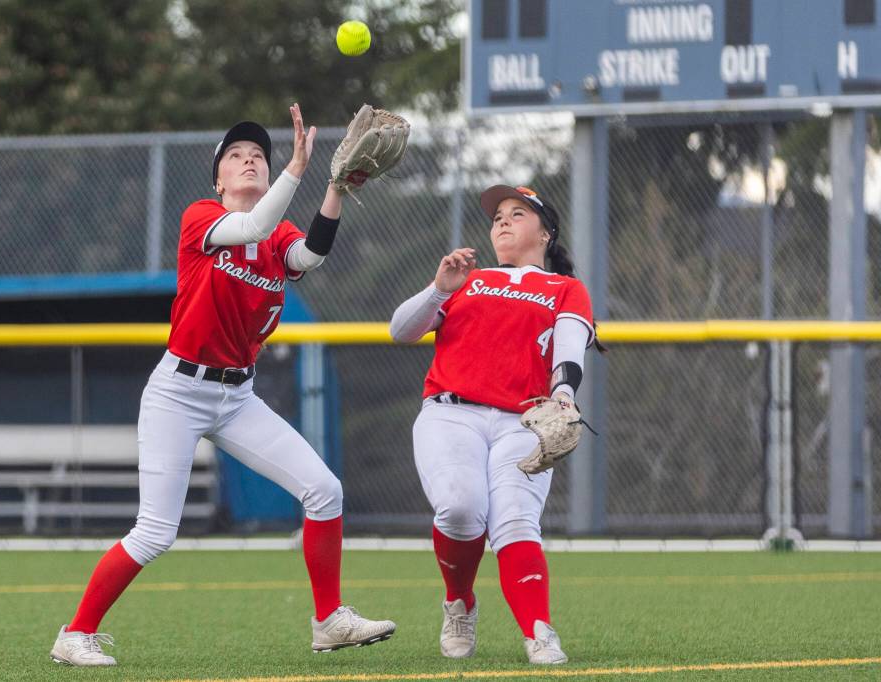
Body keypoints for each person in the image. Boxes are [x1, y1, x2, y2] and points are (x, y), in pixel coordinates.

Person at [50, 104, 396, 666]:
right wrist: (299, 171)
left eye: (258, 154)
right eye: (236, 156)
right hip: (178, 393)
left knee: (325, 492)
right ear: (218, 178)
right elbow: (252, 226)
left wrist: (334, 187)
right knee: (156, 532)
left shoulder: (278, 231)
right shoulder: (201, 218)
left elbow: (309, 254)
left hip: (236, 398)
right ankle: (75, 632)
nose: (249, 161)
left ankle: (329, 620)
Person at [389, 185, 597, 665]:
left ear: (545, 232)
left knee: (514, 520)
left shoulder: (565, 288)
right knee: (461, 510)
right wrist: (440, 286)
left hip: (524, 419)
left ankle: (538, 631)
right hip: (450, 412)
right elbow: (401, 331)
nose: (502, 221)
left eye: (517, 214)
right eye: (497, 215)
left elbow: (568, 352)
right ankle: (459, 603)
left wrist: (563, 398)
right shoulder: (469, 278)